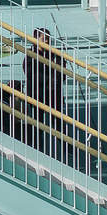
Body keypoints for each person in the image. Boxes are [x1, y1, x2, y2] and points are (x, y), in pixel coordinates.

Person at [22, 28, 67, 158]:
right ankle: (37, 150)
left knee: (59, 124)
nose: (46, 41)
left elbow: (62, 72)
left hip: (54, 95)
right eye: (43, 38)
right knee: (37, 124)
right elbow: (31, 74)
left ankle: (67, 149)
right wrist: (49, 80)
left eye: (48, 38)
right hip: (37, 95)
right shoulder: (30, 55)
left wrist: (53, 80)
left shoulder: (55, 54)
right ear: (35, 39)